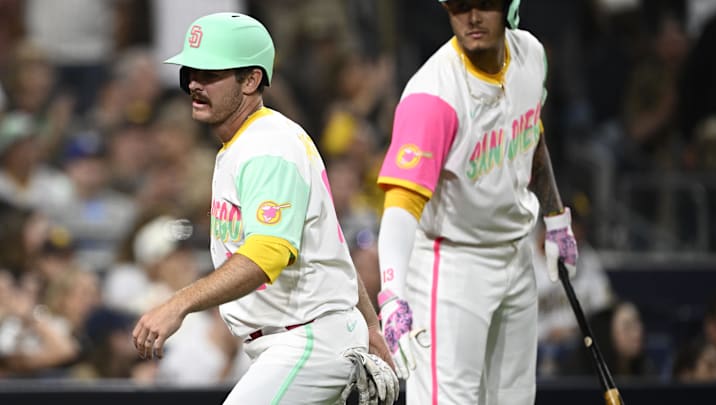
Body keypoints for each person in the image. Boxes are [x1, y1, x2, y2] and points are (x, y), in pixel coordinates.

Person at [131, 12, 393, 404]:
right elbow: (330, 245)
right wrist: (370, 325)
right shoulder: (247, 144)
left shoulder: (268, 147)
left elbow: (266, 254)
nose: (195, 85)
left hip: (307, 341)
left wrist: (179, 302)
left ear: (251, 80)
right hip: (298, 340)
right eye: (191, 73)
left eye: (211, 73)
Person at [375, 0, 578, 403]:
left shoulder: (532, 55)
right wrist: (391, 292)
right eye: (458, 5)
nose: (470, 17)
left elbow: (530, 136)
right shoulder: (432, 94)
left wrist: (556, 218)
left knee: (514, 398)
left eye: (484, 4)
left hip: (516, 256)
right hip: (451, 265)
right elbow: (400, 206)